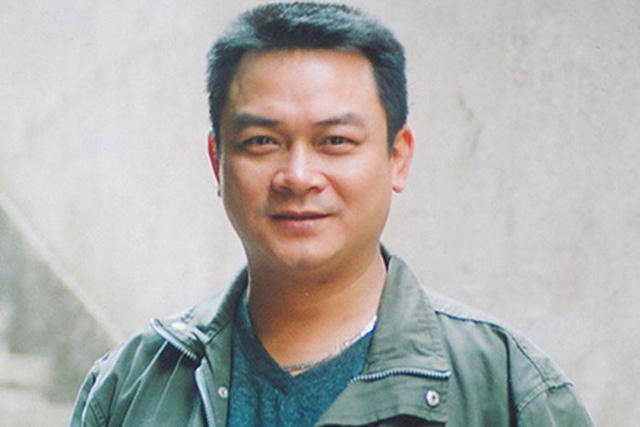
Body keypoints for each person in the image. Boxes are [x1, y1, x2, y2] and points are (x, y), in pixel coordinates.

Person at [71, 2, 594, 426]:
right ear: (218, 161)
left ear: (397, 157)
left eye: (336, 140)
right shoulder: (131, 389)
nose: (298, 176)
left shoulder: (506, 390)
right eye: (262, 141)